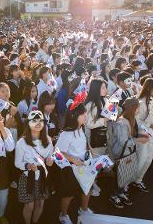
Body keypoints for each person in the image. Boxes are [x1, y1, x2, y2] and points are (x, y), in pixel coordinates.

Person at [55, 92, 92, 224]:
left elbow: (84, 145)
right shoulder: (67, 133)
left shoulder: (81, 128)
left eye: (86, 114)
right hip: (70, 169)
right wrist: (72, 159)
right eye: (83, 114)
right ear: (75, 116)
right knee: (69, 194)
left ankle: (84, 209)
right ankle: (63, 214)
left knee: (86, 188)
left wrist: (91, 153)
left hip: (83, 165)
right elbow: (58, 152)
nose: (86, 116)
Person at [108, 97, 148, 209]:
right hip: (120, 153)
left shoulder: (131, 119)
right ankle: (114, 195)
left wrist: (140, 137)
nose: (139, 109)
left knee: (124, 174)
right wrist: (139, 139)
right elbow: (123, 141)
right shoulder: (122, 122)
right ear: (133, 108)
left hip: (126, 152)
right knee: (119, 175)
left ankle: (120, 193)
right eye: (138, 107)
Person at [15, 110, 54, 224]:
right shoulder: (21, 142)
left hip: (42, 177)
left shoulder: (48, 140)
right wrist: (28, 165)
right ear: (28, 123)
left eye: (40, 121)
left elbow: (49, 162)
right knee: (29, 205)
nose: (38, 123)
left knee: (40, 204)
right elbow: (17, 163)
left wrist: (50, 161)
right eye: (34, 120)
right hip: (28, 177)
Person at [134, 78, 153, 192]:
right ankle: (129, 180)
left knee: (149, 159)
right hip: (142, 135)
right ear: (149, 88)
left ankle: (138, 180)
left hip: (152, 134)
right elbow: (136, 122)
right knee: (141, 158)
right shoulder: (140, 102)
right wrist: (150, 125)